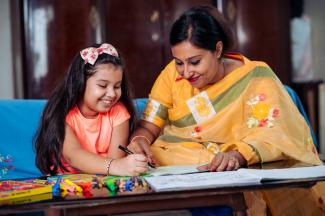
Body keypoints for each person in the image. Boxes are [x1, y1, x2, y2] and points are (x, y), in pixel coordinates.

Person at [128, 5, 324, 215]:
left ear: (218, 49)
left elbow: (276, 132)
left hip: (236, 165)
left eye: (195, 62)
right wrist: (140, 140)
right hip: (183, 160)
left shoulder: (256, 76)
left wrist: (237, 155)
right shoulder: (170, 75)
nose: (185, 72)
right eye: (178, 62)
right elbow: (149, 125)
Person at [34, 43, 149, 177]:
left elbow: (115, 162)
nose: (112, 93)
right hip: (67, 184)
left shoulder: (118, 112)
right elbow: (74, 155)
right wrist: (116, 166)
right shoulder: (62, 114)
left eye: (117, 86)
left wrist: (127, 164)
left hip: (103, 182)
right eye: (103, 85)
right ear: (81, 82)